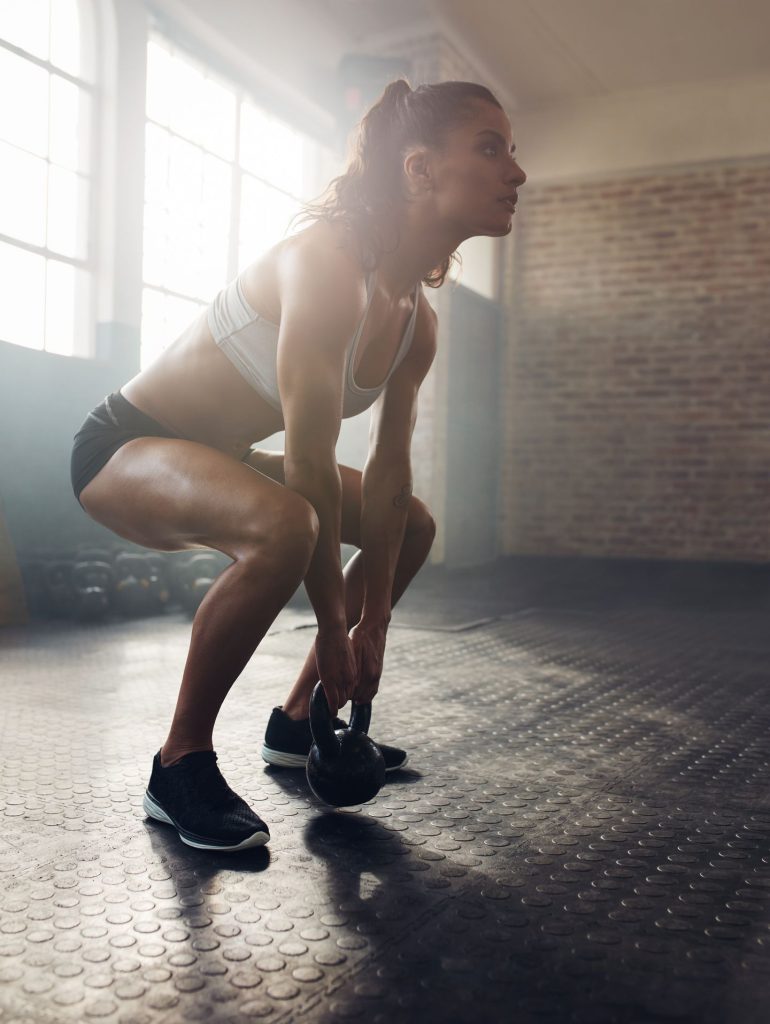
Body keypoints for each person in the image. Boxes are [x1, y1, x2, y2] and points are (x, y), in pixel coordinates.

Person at [69, 78, 526, 852]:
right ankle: (178, 762)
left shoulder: (416, 320)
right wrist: (334, 628)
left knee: (411, 526)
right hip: (124, 447)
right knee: (288, 522)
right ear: (418, 169)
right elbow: (312, 462)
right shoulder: (327, 264)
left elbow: (387, 479)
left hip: (223, 455)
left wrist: (375, 618)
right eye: (491, 149)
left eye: (513, 153)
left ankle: (295, 724)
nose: (515, 172)